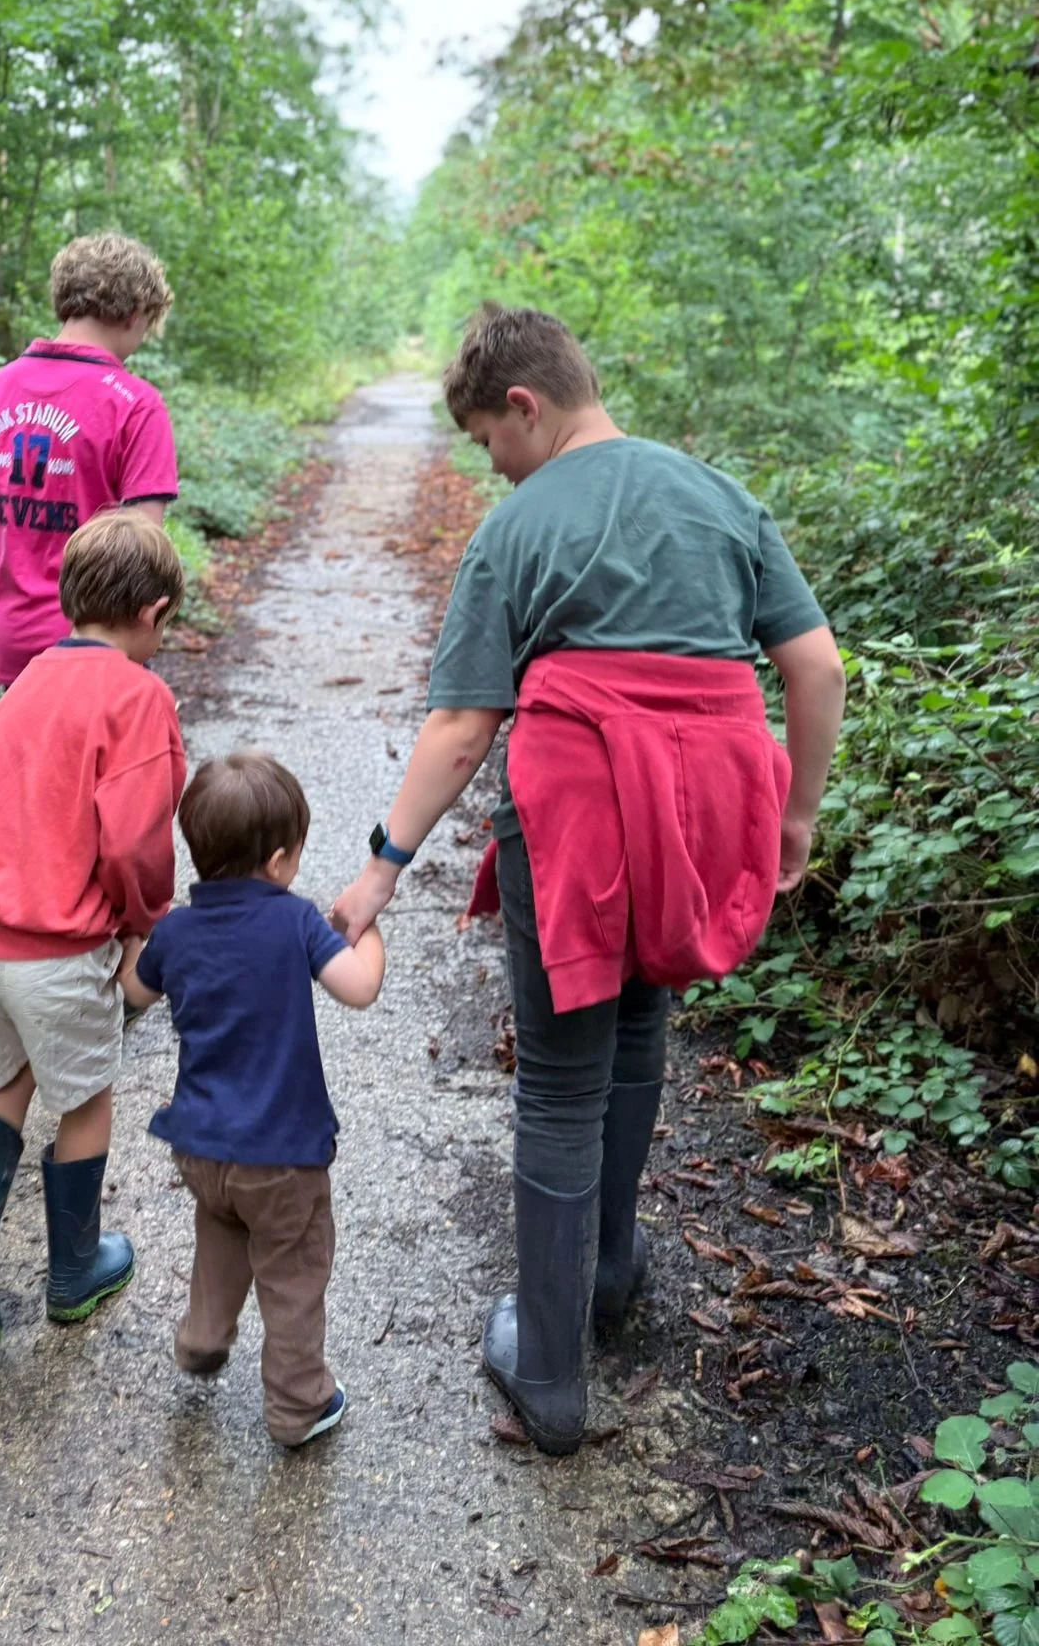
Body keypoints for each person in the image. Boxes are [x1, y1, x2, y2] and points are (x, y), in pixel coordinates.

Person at [332, 303, 845, 1455]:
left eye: (485, 440)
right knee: (641, 1022)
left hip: (577, 814)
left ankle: (553, 1371)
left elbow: (466, 724)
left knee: (559, 1080)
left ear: (526, 404)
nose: (491, 463)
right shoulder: (719, 496)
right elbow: (813, 665)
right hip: (704, 811)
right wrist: (795, 820)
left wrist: (380, 869)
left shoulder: (517, 530)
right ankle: (609, 1273)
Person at [0, 509, 188, 1342]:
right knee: (84, 1101)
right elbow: (137, 837)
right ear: (154, 614)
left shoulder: (25, 683)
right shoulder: (138, 696)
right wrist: (145, 924)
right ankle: (74, 1269)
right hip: (52, 951)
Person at [120, 752, 386, 1447]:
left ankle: (202, 1337)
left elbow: (133, 995)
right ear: (278, 861)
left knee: (222, 1234)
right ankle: (300, 1407)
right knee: (294, 1275)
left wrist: (133, 937)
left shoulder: (175, 931)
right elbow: (359, 988)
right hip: (284, 1154)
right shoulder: (296, 921)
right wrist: (368, 931)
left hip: (201, 1148)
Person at [0, 233, 179, 688]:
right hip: (99, 639)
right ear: (133, 313)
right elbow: (142, 546)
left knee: (33, 757)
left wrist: (31, 544)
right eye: (146, 324)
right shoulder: (135, 404)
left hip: (14, 638)